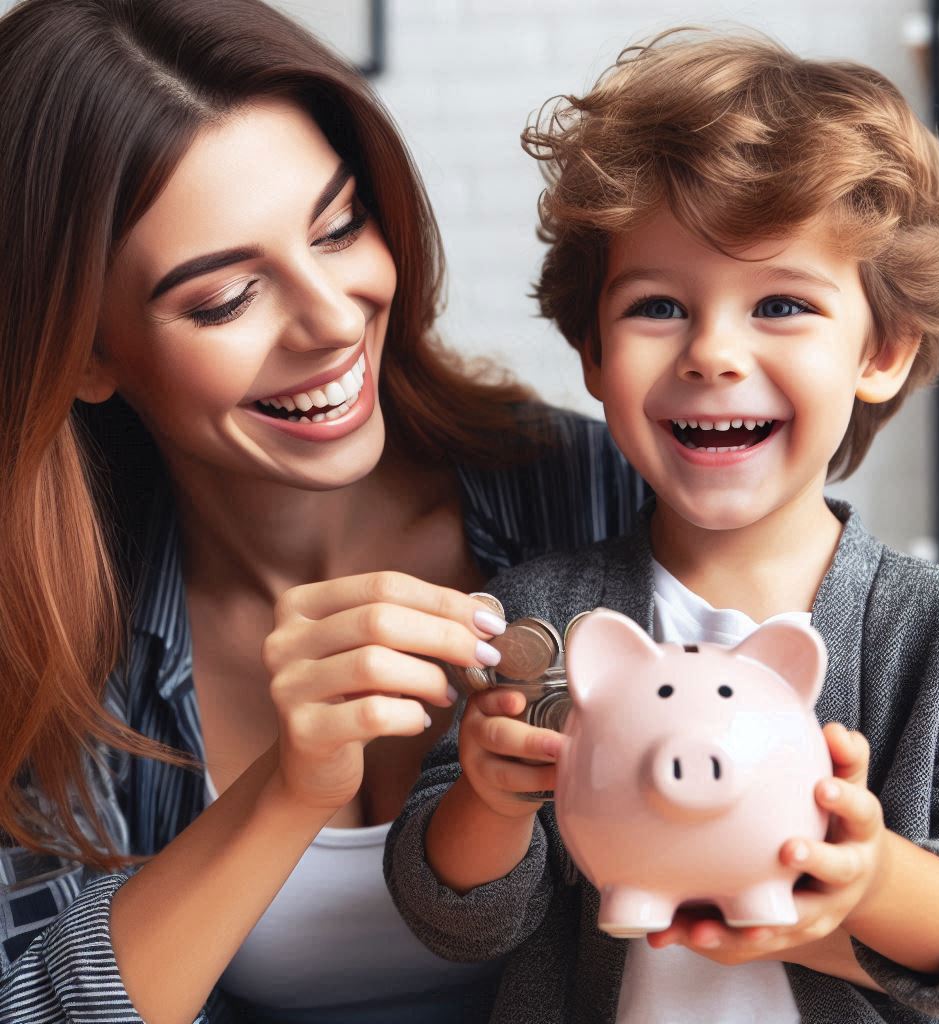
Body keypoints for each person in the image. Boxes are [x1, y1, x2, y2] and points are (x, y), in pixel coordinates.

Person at [0, 1, 648, 1022]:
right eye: (223, 299)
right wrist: (286, 789)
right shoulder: (42, 645)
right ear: (83, 350)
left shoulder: (602, 494)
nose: (332, 318)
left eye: (339, 226)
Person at [384, 29, 939, 1024]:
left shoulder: (932, 631)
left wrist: (870, 883)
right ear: (593, 355)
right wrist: (490, 802)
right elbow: (453, 919)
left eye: (778, 302)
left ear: (883, 350)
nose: (714, 352)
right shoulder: (539, 615)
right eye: (657, 307)